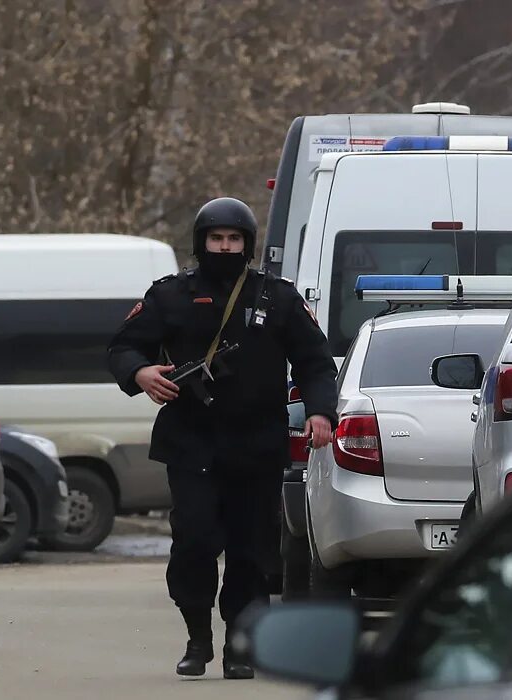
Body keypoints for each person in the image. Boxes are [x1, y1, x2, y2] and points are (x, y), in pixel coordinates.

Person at [107, 197, 337, 679]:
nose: (225, 247)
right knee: (194, 540)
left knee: (251, 548)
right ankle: (197, 637)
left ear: (248, 244)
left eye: (234, 240)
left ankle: (239, 643)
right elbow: (124, 346)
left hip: (256, 444)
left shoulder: (276, 297)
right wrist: (142, 372)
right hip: (191, 442)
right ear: (202, 242)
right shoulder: (170, 295)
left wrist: (320, 412)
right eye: (217, 239)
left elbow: (316, 360)